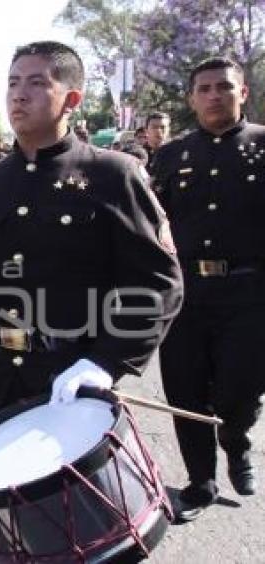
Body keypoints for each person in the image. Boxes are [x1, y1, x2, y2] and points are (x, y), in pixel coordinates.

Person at [0, 41, 183, 428]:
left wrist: (106, 362)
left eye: (36, 83)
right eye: (12, 83)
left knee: (74, 490)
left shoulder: (113, 175)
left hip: (74, 373)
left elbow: (159, 282)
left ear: (71, 99)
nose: (19, 94)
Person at [152, 57, 265, 521]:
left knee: (241, 387)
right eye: (204, 88)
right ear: (191, 98)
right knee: (185, 390)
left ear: (243, 93)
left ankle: (236, 442)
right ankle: (201, 480)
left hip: (250, 291)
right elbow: (150, 220)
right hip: (187, 293)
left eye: (224, 87)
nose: (214, 95)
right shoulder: (172, 154)